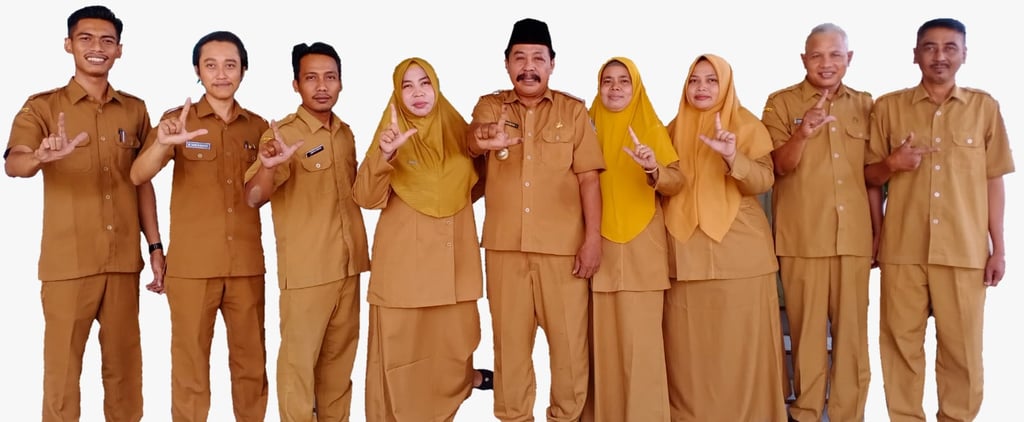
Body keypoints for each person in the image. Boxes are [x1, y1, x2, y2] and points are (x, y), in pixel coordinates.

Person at [3, 5, 161, 422]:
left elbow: (142, 181)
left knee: (125, 375)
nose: (97, 47)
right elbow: (14, 163)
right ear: (68, 45)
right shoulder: (42, 107)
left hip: (123, 262)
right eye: (86, 38)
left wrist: (155, 247)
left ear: (119, 50)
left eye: (107, 40)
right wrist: (38, 157)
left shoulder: (135, 110)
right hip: (67, 264)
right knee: (62, 376)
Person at [863, 18, 1013, 422]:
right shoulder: (888, 107)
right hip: (902, 249)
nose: (940, 56)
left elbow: (993, 180)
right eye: (930, 47)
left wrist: (999, 248)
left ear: (964, 54)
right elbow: (868, 176)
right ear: (915, 55)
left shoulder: (984, 108)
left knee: (963, 351)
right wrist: (892, 165)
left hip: (964, 251)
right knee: (900, 347)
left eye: (950, 47)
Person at [466, 17, 604, 422]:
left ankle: (566, 417)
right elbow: (472, 139)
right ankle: (514, 417)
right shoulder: (491, 107)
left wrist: (592, 239)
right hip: (505, 249)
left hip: (563, 252)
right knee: (509, 348)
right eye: (520, 58)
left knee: (569, 348)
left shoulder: (573, 112)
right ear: (507, 63)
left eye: (538, 58)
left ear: (552, 64)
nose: (529, 67)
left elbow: (589, 179)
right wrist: (484, 137)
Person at [129, 31, 269, 422]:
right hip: (192, 269)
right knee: (190, 371)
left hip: (246, 267)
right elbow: (138, 175)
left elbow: (262, 195)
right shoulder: (177, 121)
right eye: (211, 65)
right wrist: (163, 143)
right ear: (197, 70)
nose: (221, 74)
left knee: (251, 368)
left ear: (244, 69)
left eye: (230, 65)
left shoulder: (258, 128)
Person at [353, 56, 492, 422]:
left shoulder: (458, 132)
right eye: (407, 86)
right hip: (406, 273)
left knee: (453, 349)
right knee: (402, 362)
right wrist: (385, 154)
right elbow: (365, 197)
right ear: (397, 95)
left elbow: (475, 185)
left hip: (453, 269)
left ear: (437, 87)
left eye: (425, 83)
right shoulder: (391, 135)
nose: (418, 93)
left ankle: (462, 386)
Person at [242, 41, 369, 422]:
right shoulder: (281, 135)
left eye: (330, 77)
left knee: (339, 370)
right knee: (298, 371)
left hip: (349, 268)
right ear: (296, 84)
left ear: (341, 82)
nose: (322, 86)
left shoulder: (344, 133)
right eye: (311, 78)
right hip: (307, 274)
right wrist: (268, 166)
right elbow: (253, 197)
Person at [761, 23, 879, 422]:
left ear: (849, 58)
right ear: (803, 59)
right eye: (817, 55)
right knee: (806, 335)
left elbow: (872, 176)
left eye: (835, 55)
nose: (826, 63)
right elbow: (776, 167)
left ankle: (849, 415)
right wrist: (803, 134)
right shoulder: (781, 103)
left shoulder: (867, 105)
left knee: (852, 339)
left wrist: (878, 234)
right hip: (801, 239)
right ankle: (807, 413)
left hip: (853, 240)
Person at [661, 54, 788, 421]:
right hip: (685, 256)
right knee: (689, 351)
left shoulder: (745, 125)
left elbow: (764, 180)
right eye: (694, 80)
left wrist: (733, 157)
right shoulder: (671, 130)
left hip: (741, 258)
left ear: (727, 85)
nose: (701, 87)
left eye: (711, 80)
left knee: (741, 347)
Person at [581, 57, 681, 422]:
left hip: (643, 250)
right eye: (607, 80)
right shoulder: (584, 128)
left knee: (643, 347)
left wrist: (653, 168)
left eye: (624, 80)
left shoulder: (651, 128)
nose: (615, 87)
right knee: (602, 346)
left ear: (636, 86)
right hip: (596, 248)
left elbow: (677, 182)